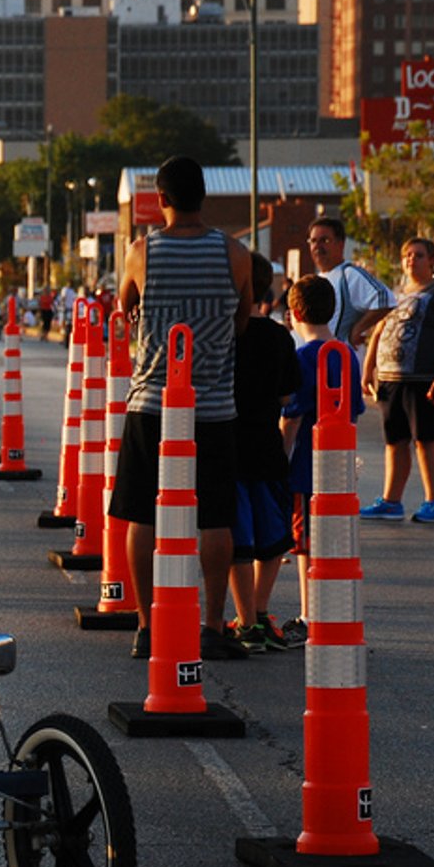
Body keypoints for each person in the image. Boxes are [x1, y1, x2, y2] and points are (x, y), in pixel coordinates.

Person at [111, 155, 254, 663]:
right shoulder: (235, 253)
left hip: (151, 402)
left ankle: (148, 626)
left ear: (160, 201)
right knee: (214, 516)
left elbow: (123, 309)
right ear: (204, 197)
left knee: (140, 513)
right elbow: (243, 319)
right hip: (214, 405)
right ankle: (212, 625)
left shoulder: (140, 252)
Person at [277, 274, 363, 649]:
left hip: (305, 468)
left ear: (294, 312)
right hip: (340, 466)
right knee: (335, 543)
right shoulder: (347, 356)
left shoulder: (300, 358)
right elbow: (354, 411)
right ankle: (334, 610)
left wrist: (280, 458)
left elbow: (292, 416)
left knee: (305, 545)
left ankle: (310, 615)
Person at [360, 237, 434, 525]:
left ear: (432, 260)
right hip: (392, 379)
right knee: (395, 441)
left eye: (418, 255)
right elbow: (379, 333)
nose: (411, 260)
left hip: (425, 379)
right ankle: (391, 502)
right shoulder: (395, 295)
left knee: (426, 440)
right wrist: (368, 370)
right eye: (407, 255)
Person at [226, 253, 301, 655]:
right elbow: (289, 394)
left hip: (230, 446)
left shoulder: (222, 334)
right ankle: (260, 609)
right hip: (268, 447)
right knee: (272, 538)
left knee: (239, 538)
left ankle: (245, 620)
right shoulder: (278, 337)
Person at [305, 217, 395, 350]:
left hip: (342, 361)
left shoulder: (349, 274)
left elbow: (385, 299)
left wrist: (358, 329)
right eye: (313, 241)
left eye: (325, 240)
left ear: (340, 244)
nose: (317, 246)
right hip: (319, 360)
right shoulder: (316, 280)